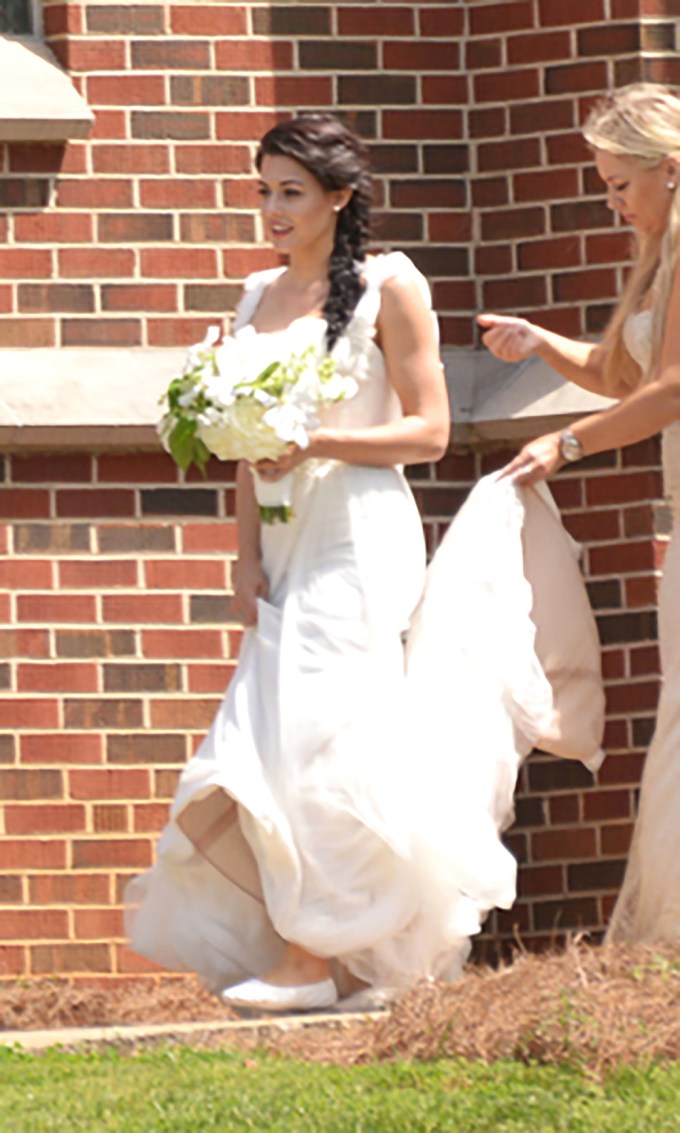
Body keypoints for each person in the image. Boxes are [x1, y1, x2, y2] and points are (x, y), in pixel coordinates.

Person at [126, 111, 454, 1011]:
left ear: (338, 198)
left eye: (290, 192)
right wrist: (242, 560)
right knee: (268, 742)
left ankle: (311, 955)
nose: (270, 207)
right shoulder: (252, 295)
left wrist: (317, 445)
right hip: (280, 540)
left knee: (319, 739)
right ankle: (342, 953)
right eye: (263, 188)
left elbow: (431, 431)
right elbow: (239, 446)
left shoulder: (390, 285)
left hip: (357, 535)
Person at [478, 82, 680, 944]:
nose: (611, 202)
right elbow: (622, 373)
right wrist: (539, 340)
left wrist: (568, 446)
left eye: (620, 184)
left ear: (670, 171)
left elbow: (671, 390)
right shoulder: (660, 258)